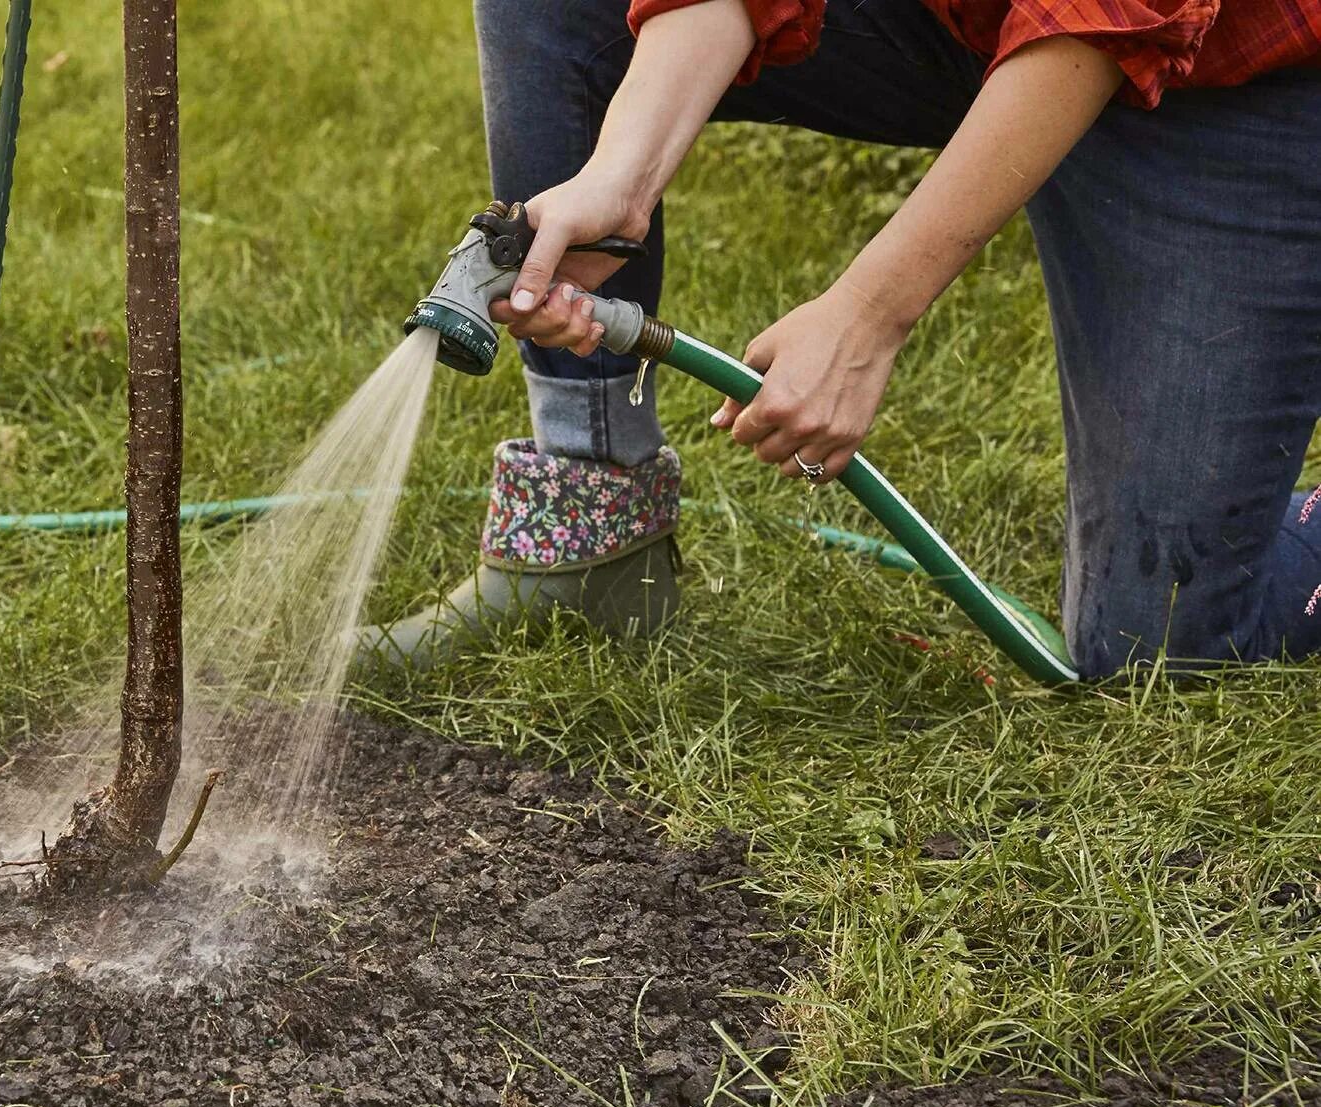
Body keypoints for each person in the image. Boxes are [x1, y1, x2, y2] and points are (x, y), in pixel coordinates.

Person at [360, 0, 1321, 680]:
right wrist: (624, 175)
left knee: (1157, 645)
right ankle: (587, 527)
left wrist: (866, 315)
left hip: (1234, 91)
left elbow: (1104, 13)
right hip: (962, 20)